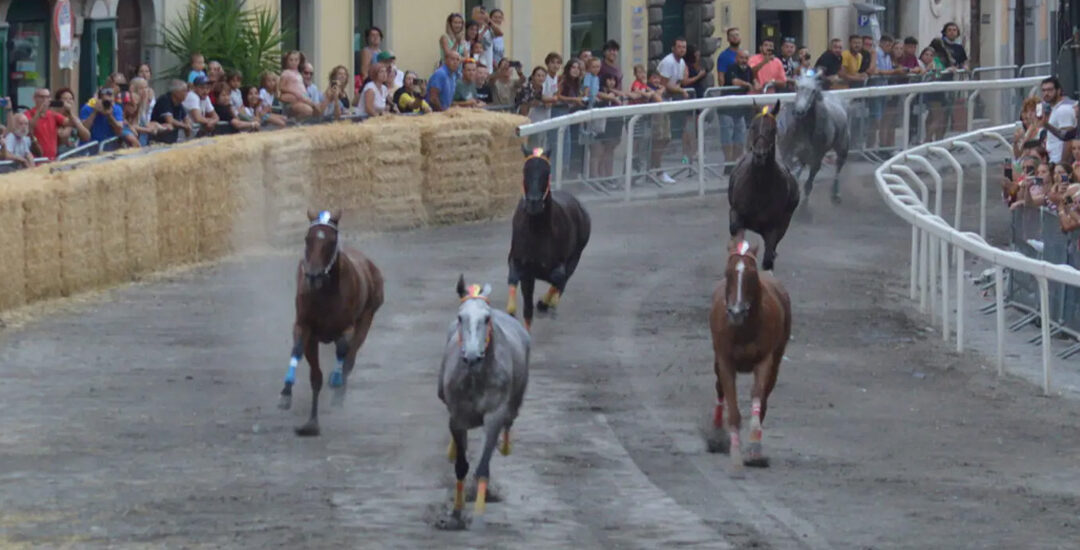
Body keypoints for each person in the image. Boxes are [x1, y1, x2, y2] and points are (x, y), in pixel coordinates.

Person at [28, 87, 88, 160]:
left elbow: (85, 134)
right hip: (37, 159)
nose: (45, 100)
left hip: (54, 159)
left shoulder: (53, 115)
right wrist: (39, 111)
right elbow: (29, 128)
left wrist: (70, 112)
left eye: (47, 97)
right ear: (34, 99)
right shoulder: (28, 114)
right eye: (42, 97)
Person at [1039, 76, 1077, 163]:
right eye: (1044, 90)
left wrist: (1062, 164)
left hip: (1059, 161)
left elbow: (1068, 139)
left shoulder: (1063, 109)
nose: (1046, 93)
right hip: (1053, 159)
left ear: (1058, 91)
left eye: (1050, 90)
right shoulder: (1056, 108)